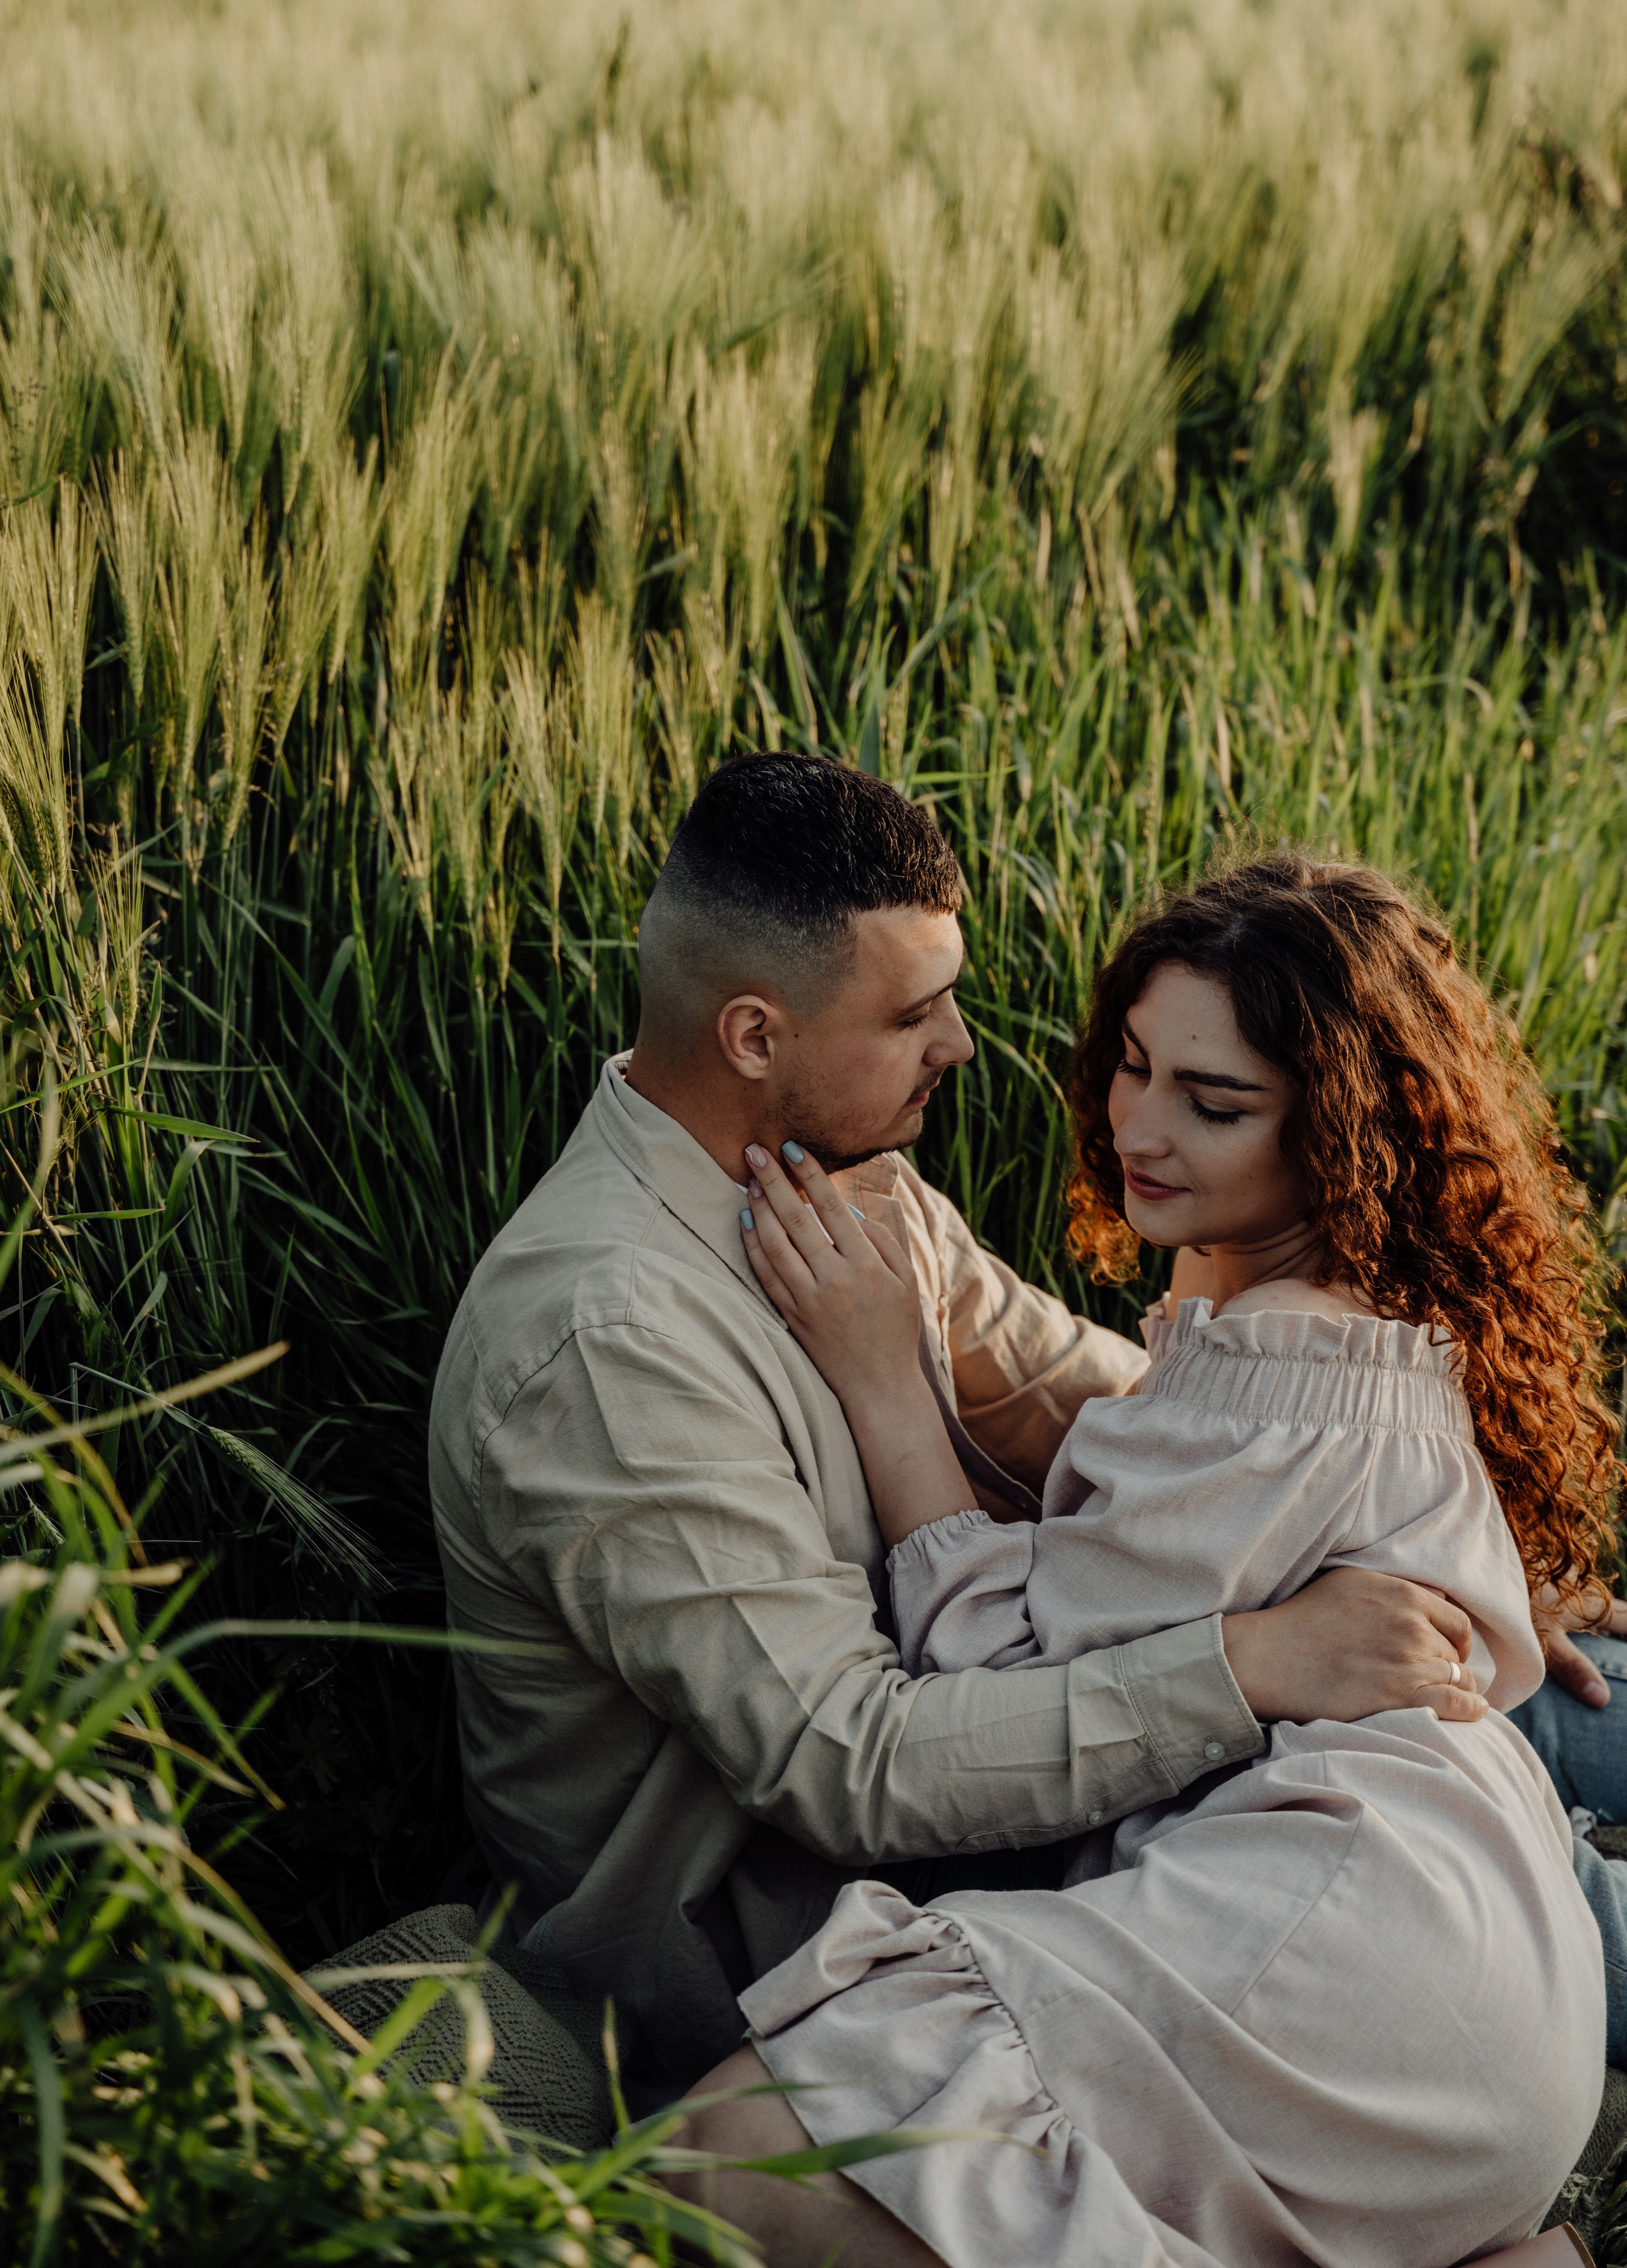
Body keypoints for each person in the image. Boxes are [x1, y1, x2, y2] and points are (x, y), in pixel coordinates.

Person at [428, 757, 1498, 2104]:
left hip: (1007, 1820)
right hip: (796, 1955)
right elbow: (847, 1763)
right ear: (753, 1036)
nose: (962, 1045)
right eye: (913, 1013)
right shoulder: (607, 1336)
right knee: (1444, 1831)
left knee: (1524, 1698)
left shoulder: (849, 1185)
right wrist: (1255, 1662)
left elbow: (1098, 1398)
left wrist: (1409, 1511)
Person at [686, 855, 1617, 2266]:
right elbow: (1141, 1472)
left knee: (725, 2157)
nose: (1140, 1125)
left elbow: (994, 1675)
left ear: (1336, 1130)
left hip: (1360, 1949)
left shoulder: (1284, 1361)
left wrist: (883, 1382)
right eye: (1132, 1064)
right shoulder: (1316, 1314)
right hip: (1475, 1957)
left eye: (1214, 1102)